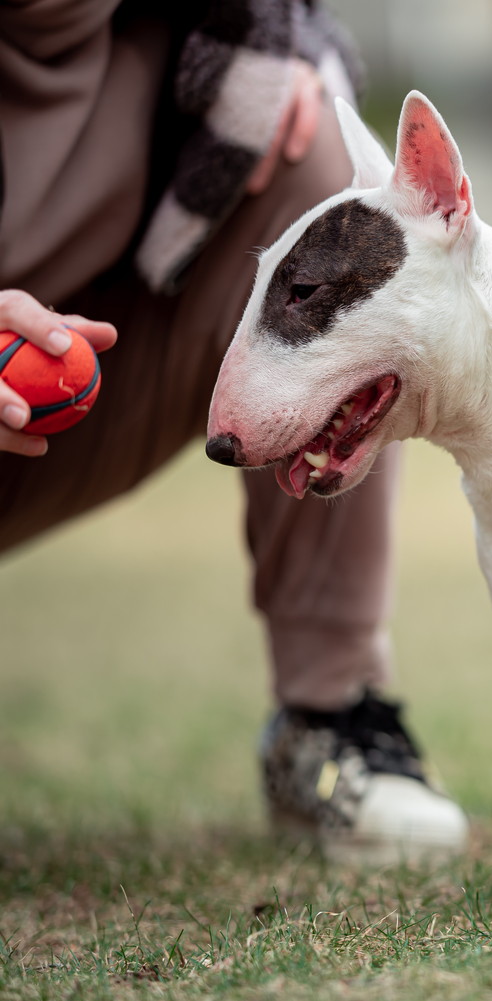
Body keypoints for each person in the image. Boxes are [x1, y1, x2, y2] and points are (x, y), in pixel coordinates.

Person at [0, 0, 467, 863]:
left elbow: (299, 27)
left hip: (81, 381)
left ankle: (330, 714)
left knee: (307, 147)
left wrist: (305, 61)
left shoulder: (204, 28)